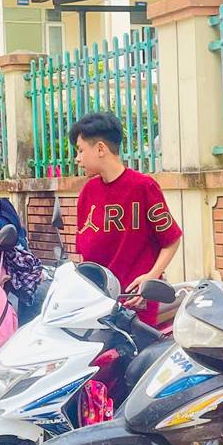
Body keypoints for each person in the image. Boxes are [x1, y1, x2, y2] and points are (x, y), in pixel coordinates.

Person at [70, 111, 182, 319]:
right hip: (98, 303)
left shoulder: (143, 187)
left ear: (100, 148)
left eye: (80, 150)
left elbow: (172, 239)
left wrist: (151, 277)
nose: (77, 159)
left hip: (135, 303)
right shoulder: (88, 192)